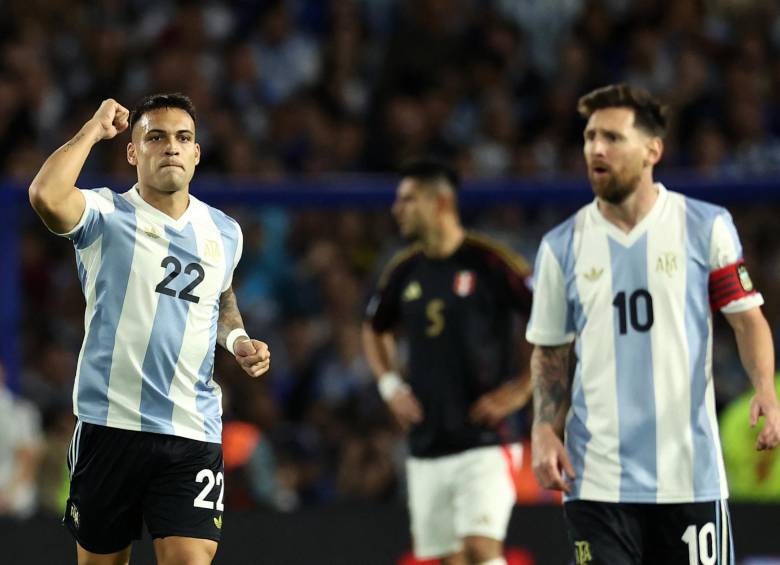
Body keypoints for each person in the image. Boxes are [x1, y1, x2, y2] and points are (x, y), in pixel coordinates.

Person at [527, 83, 780, 565]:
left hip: (689, 476)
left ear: (652, 150)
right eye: (588, 137)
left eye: (612, 137)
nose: (596, 149)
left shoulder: (705, 226)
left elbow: (748, 322)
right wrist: (543, 428)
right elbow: (550, 351)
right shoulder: (561, 246)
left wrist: (765, 389)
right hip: (597, 482)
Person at [28, 94, 271, 565]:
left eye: (183, 138)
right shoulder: (104, 214)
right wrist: (95, 129)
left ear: (197, 153)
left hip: (191, 429)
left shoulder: (224, 231)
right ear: (133, 152)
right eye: (155, 137)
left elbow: (221, 298)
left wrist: (238, 340)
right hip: (109, 424)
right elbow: (44, 195)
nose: (171, 148)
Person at [362, 159, 533, 565]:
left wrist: (522, 388)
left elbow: (549, 320)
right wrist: (390, 387)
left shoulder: (490, 262)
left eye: (408, 199)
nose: (396, 209)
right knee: (449, 559)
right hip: (428, 438)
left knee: (481, 548)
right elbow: (373, 328)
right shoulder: (404, 270)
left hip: (488, 436)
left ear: (439, 202)